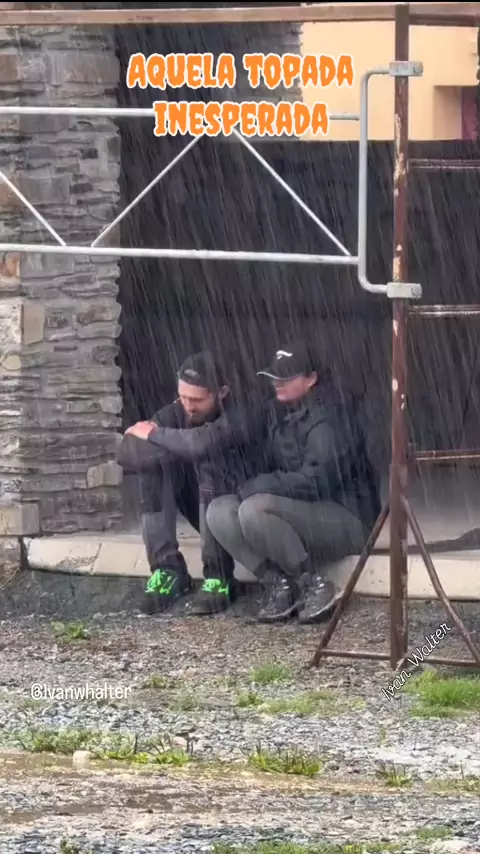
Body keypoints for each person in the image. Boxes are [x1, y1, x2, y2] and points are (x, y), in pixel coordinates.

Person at [206, 342, 381, 624]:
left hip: (348, 518)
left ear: (311, 379)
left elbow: (317, 481)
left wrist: (261, 485)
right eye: (274, 377)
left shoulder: (330, 416)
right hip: (300, 510)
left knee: (254, 509)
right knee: (218, 510)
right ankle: (278, 584)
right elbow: (264, 462)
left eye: (286, 377)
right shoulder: (279, 411)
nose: (278, 383)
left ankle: (313, 584)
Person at [116, 351, 266, 617]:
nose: (187, 405)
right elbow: (127, 452)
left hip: (238, 513)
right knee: (152, 469)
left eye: (196, 399)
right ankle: (168, 570)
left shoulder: (244, 411)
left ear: (222, 393)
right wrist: (176, 448)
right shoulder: (178, 409)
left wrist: (159, 437)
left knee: (210, 460)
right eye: (182, 396)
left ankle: (218, 576)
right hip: (198, 504)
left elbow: (203, 444)